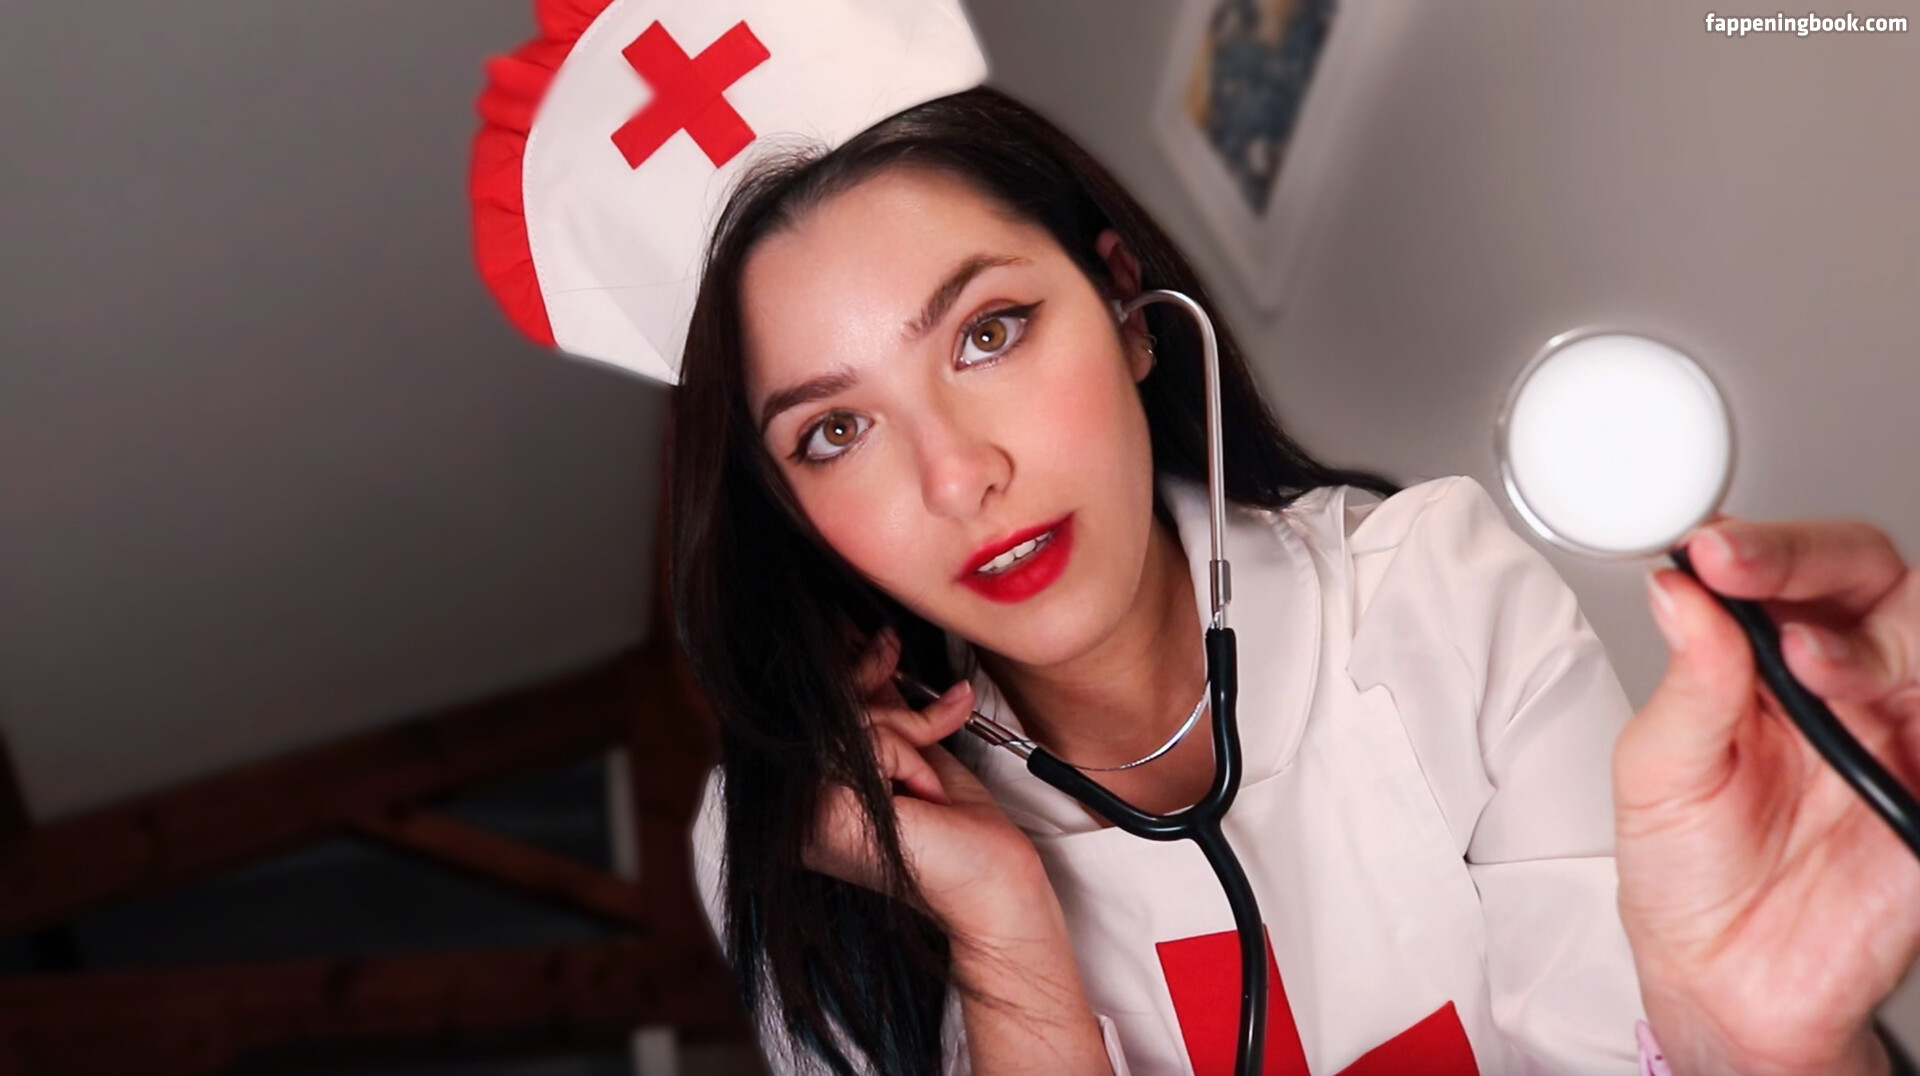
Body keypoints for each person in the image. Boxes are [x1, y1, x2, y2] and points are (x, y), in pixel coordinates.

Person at [468, 2, 1920, 1073]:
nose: (960, 476)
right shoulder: (804, 841)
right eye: (835, 431)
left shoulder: (1434, 596)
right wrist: (1002, 927)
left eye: (990, 331)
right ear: (793, 515)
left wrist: (1773, 1049)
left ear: (1126, 308)